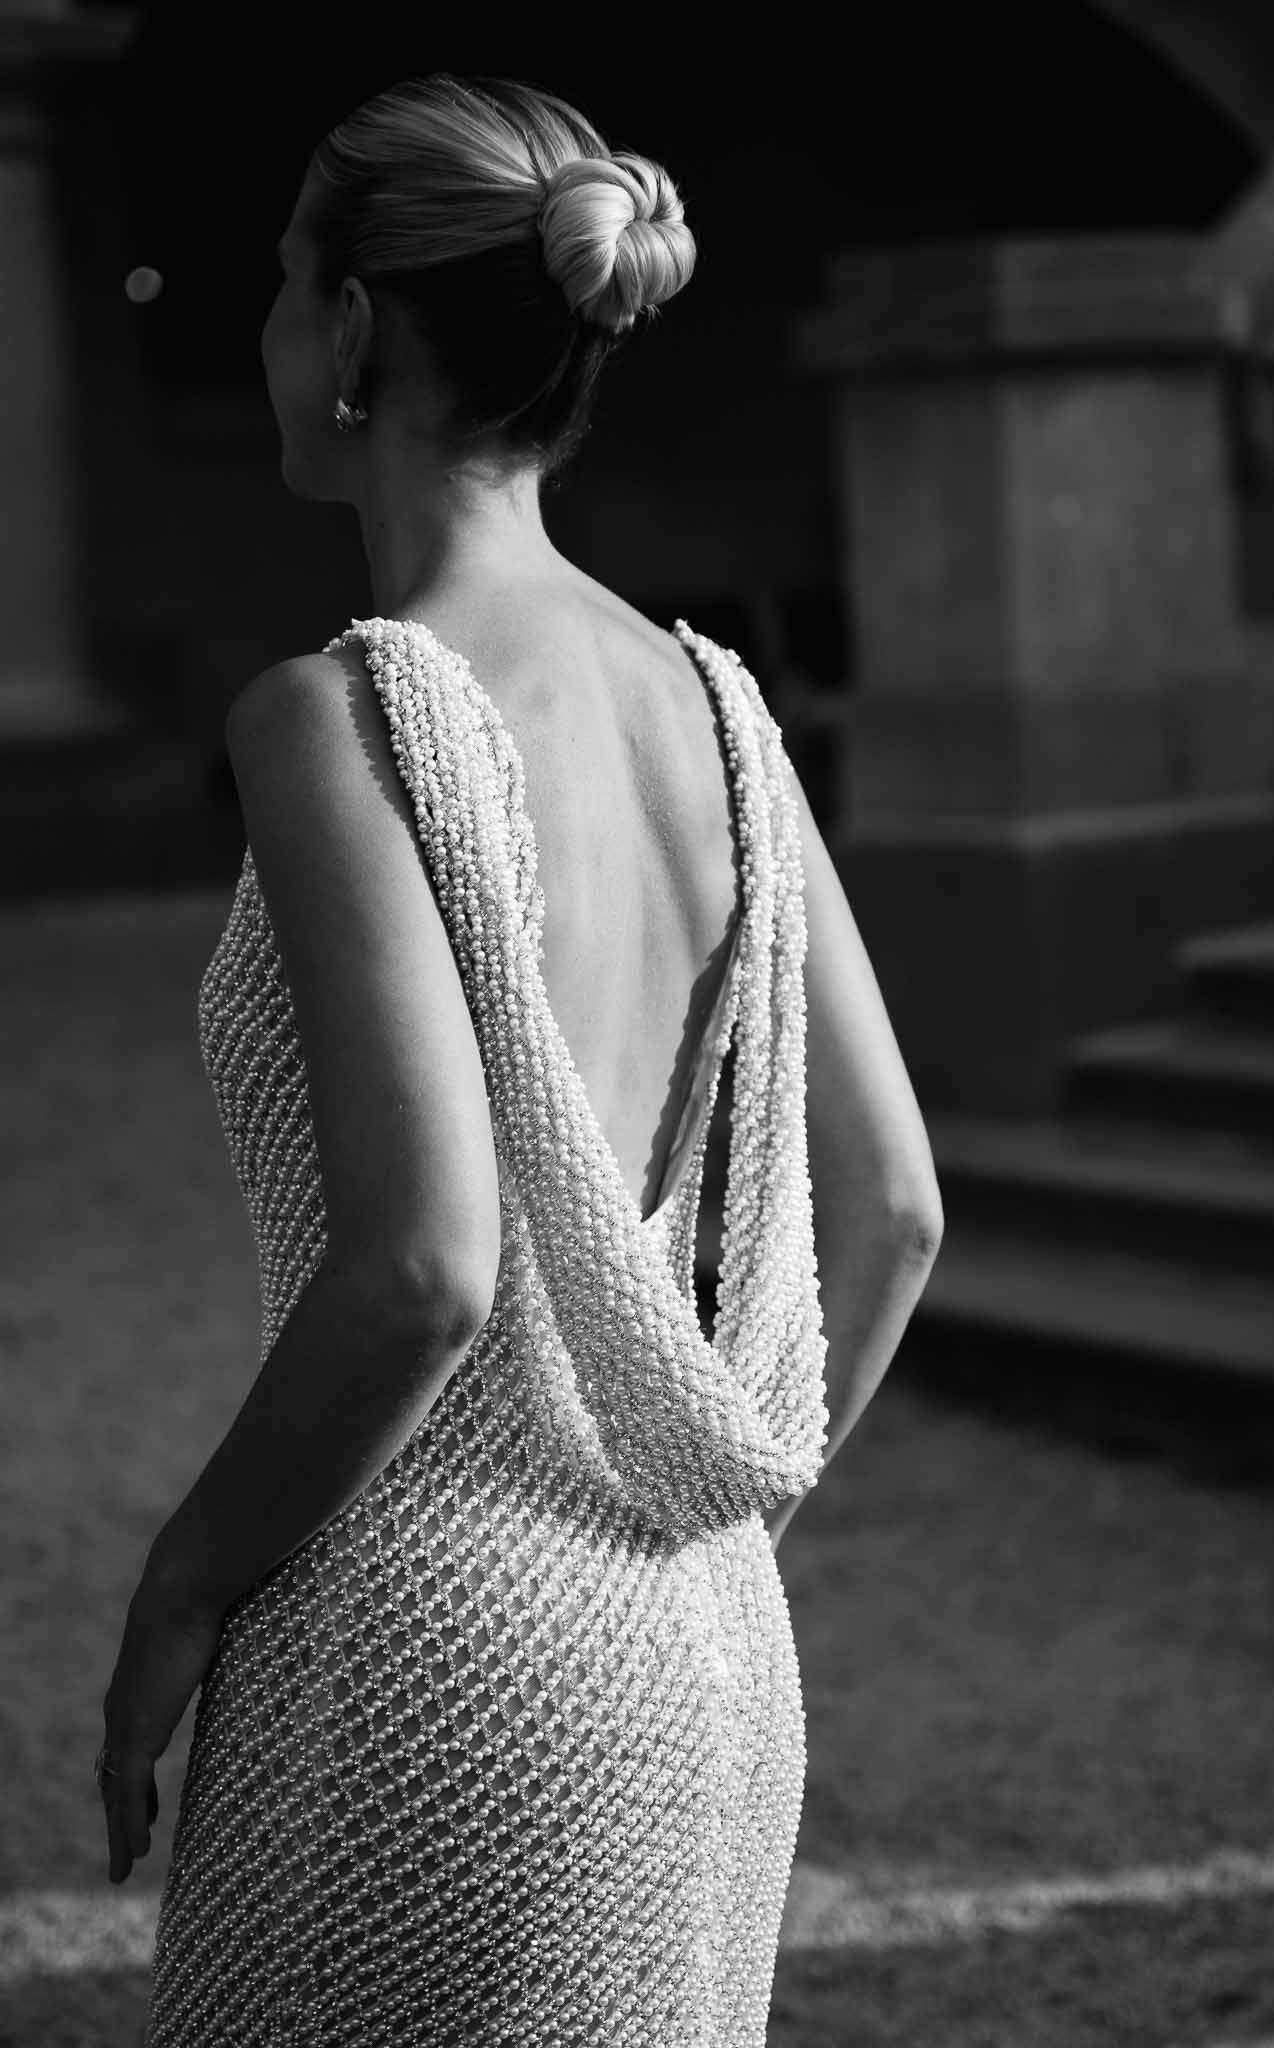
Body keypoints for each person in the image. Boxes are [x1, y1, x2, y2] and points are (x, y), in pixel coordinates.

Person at [96, 71, 944, 2046]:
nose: (261, 329)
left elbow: (420, 1268)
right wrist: (700, 1526)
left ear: (356, 329)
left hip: (416, 1649)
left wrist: (178, 1586)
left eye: (280, 285)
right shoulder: (723, 714)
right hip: (710, 1639)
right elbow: (891, 1208)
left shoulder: (341, 715)